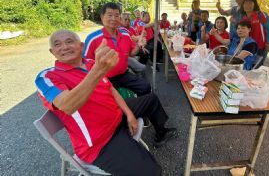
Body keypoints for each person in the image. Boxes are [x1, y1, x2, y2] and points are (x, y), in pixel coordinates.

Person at [35, 29, 177, 175]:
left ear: (81, 46)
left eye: (69, 41)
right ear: (52, 52)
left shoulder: (90, 63)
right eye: (57, 44)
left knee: (151, 99)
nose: (64, 47)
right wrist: (98, 70)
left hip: (117, 116)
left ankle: (161, 133)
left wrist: (129, 114)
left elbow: (111, 90)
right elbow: (67, 106)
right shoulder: (47, 77)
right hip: (101, 141)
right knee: (152, 172)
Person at [83, 3, 151, 96]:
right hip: (103, 78)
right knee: (109, 102)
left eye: (116, 15)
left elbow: (131, 53)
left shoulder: (125, 34)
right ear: (102, 17)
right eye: (110, 15)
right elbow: (85, 63)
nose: (114, 19)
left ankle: (139, 107)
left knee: (145, 87)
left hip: (123, 74)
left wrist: (138, 45)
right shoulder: (93, 38)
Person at [240, 0, 269, 66]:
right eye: (245, 3)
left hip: (261, 47)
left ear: (254, 5)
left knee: (257, 67)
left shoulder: (261, 15)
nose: (247, 5)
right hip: (248, 47)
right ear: (242, 6)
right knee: (248, 66)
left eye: (250, 3)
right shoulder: (243, 19)